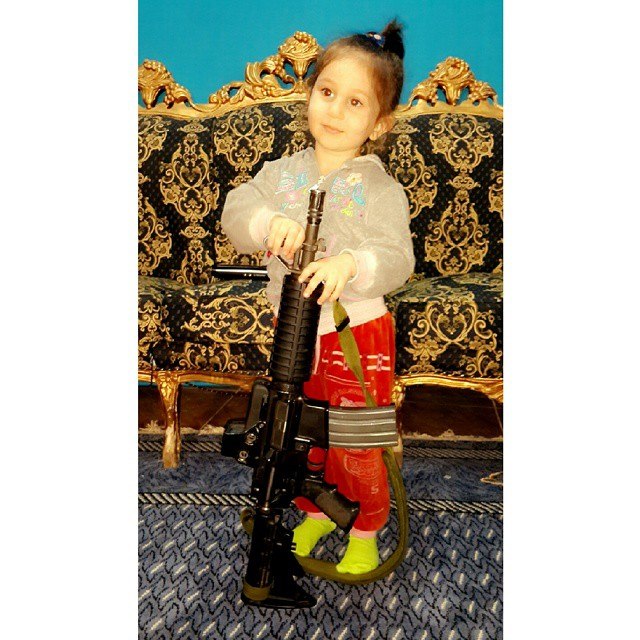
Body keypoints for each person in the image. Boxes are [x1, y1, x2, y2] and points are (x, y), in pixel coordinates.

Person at [221, 19, 415, 574]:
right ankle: (316, 511)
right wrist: (266, 221)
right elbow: (236, 211)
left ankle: (367, 527)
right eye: (326, 92)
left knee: (356, 441)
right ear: (309, 95)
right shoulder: (283, 174)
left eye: (355, 102)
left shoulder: (379, 187)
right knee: (298, 435)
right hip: (293, 333)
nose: (334, 110)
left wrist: (349, 264)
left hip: (356, 333)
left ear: (379, 123)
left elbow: (397, 257)